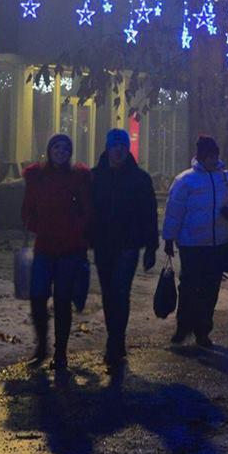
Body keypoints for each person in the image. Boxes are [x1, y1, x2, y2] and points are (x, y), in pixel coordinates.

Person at [161, 135, 228, 349]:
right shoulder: (186, 181)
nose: (213, 159)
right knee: (189, 286)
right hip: (192, 243)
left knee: (210, 288)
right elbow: (174, 212)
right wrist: (169, 238)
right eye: (209, 156)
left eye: (215, 155)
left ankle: (202, 330)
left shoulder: (226, 178)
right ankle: (184, 327)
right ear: (201, 156)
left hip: (217, 243)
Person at [21, 133, 92, 371]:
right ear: (50, 150)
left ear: (70, 153)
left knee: (62, 301)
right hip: (45, 247)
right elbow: (27, 209)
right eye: (57, 148)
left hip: (69, 248)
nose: (60, 152)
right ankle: (42, 346)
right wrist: (37, 225)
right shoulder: (38, 177)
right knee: (38, 297)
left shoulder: (77, 178)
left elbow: (86, 210)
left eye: (65, 149)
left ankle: (60, 353)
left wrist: (78, 232)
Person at [90, 128, 158, 368]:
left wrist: (151, 246)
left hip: (128, 244)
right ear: (108, 148)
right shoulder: (95, 176)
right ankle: (115, 337)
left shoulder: (139, 179)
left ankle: (115, 340)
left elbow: (149, 214)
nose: (118, 150)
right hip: (103, 244)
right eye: (114, 145)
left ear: (126, 149)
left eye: (122, 146)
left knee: (120, 291)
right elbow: (89, 212)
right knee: (109, 294)